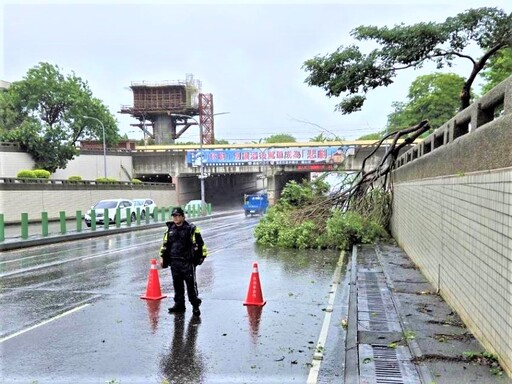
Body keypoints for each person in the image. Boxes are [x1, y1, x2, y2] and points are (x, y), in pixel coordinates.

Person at [159, 207, 206, 316]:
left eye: (178, 215)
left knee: (191, 286)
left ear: (183, 217)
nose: (176, 218)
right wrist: (162, 258)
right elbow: (165, 245)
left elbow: (201, 244)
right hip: (174, 263)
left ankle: (195, 305)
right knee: (177, 285)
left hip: (187, 263)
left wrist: (201, 257)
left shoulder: (191, 229)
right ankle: (179, 305)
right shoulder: (170, 229)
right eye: (174, 216)